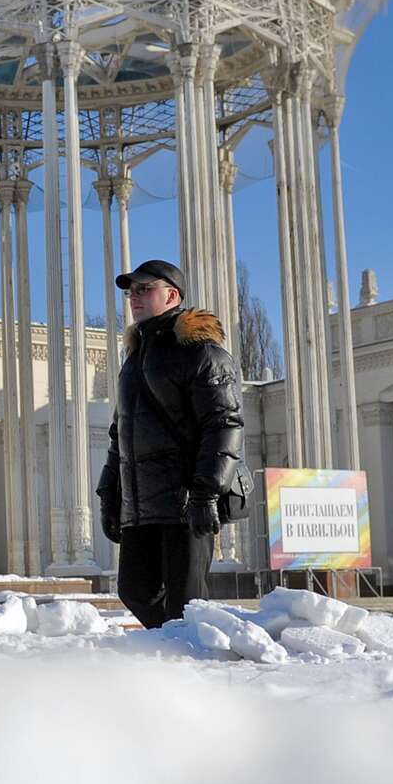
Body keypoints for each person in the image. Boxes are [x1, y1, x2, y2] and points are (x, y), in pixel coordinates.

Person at [97, 259, 245, 629]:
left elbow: (223, 425)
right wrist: (109, 495)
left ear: (172, 295)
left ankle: (200, 669)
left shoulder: (202, 353)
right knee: (135, 591)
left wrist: (206, 494)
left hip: (186, 504)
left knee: (187, 605)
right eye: (131, 292)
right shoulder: (132, 361)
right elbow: (121, 434)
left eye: (144, 289)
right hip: (141, 506)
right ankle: (175, 655)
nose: (134, 298)